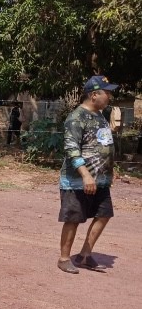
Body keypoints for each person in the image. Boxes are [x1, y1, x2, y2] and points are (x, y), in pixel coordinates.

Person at [57, 75, 117, 274]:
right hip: (77, 180)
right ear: (93, 95)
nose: (109, 96)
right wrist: (86, 175)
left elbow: (103, 145)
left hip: (101, 180)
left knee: (104, 214)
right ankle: (64, 258)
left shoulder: (100, 116)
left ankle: (84, 255)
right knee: (73, 218)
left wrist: (109, 171)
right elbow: (71, 148)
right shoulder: (76, 117)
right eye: (106, 93)